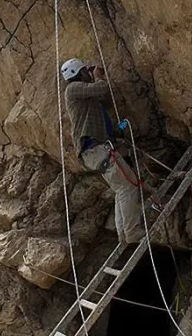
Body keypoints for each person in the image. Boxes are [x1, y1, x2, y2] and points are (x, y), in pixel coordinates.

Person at [61, 58, 144, 245]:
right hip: (95, 149)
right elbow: (101, 89)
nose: (88, 73)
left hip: (97, 149)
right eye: (85, 70)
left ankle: (123, 234)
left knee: (119, 189)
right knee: (127, 186)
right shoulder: (73, 89)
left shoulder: (87, 99)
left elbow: (104, 103)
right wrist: (98, 76)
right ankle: (131, 232)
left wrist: (119, 132)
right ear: (79, 73)